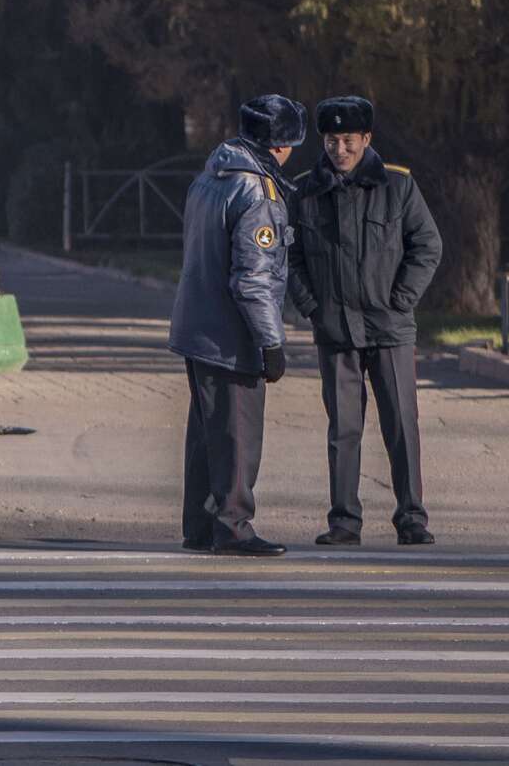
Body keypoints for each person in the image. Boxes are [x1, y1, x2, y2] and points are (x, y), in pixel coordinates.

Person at [287, 95, 443, 547]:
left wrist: (401, 300)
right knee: (343, 430)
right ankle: (344, 521)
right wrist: (312, 307)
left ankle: (412, 517)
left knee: (401, 424)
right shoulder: (306, 191)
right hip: (336, 330)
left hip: (389, 329)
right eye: (333, 140)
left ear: (367, 139)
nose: (340, 149)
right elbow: (291, 256)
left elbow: (427, 245)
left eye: (349, 140)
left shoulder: (398, 186)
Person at [169, 94, 305, 557]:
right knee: (238, 436)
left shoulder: (211, 176)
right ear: (280, 145)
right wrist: (271, 342)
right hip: (231, 334)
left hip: (196, 325)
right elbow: (253, 278)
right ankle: (233, 525)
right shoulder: (258, 193)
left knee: (206, 432)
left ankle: (199, 524)